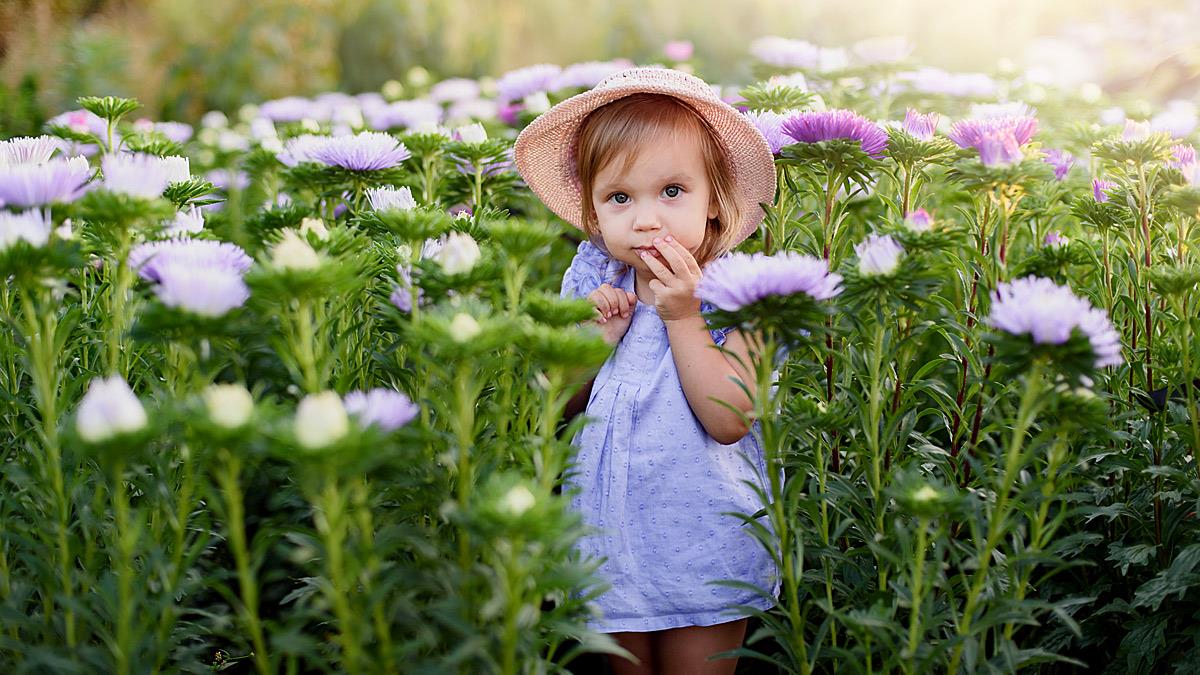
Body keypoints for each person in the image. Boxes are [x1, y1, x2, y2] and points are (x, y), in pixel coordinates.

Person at [514, 67, 781, 675]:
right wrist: (592, 346)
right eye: (619, 198)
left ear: (716, 204)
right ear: (593, 212)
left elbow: (728, 418)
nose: (646, 219)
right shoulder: (594, 280)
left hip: (703, 535)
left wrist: (684, 314)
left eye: (672, 191)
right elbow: (557, 408)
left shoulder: (748, 295)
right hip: (608, 535)